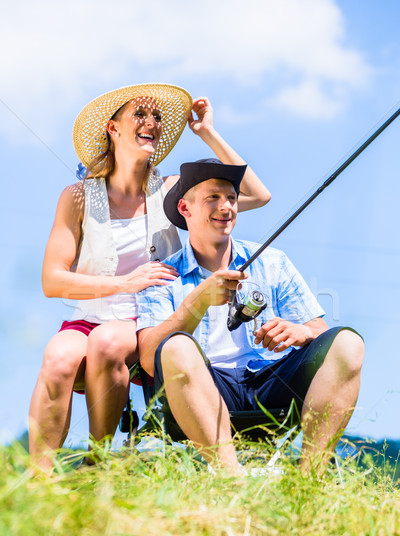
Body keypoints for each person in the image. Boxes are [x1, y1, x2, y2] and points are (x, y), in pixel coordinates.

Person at [29, 84, 271, 472]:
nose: (152, 123)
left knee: (108, 342)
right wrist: (124, 283)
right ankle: (37, 481)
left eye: (157, 117)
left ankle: (99, 462)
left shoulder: (172, 190)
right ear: (113, 128)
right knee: (58, 357)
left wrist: (207, 132)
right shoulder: (77, 197)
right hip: (88, 316)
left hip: (148, 318)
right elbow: (52, 280)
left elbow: (257, 195)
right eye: (140, 115)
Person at [136, 159, 365, 478]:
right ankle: (231, 478)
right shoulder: (162, 275)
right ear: (184, 209)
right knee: (175, 348)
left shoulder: (273, 261)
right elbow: (149, 358)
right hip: (205, 387)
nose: (225, 206)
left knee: (349, 343)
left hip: (270, 384)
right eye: (212, 198)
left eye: (231, 198)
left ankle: (310, 480)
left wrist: (301, 332)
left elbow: (321, 333)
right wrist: (197, 301)